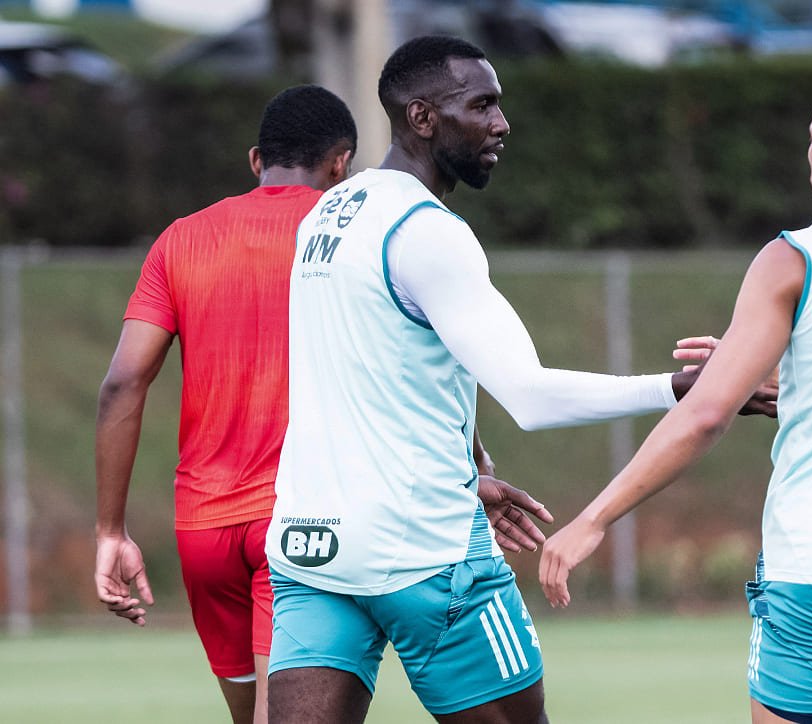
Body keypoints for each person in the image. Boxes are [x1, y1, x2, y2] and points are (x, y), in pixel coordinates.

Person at [264, 35, 774, 724]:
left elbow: (371, 377)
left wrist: (466, 467)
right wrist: (676, 388)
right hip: (425, 557)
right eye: (482, 105)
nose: (502, 124)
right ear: (422, 118)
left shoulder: (325, 215)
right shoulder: (426, 230)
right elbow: (530, 398)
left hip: (310, 548)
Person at [540, 60, 812, 724]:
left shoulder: (795, 256)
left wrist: (593, 519)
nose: (811, 152)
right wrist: (802, 387)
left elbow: (706, 415)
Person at [93, 84, 551, 724]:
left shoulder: (180, 240)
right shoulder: (342, 232)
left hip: (203, 523)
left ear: (257, 161)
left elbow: (122, 383)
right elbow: (419, 356)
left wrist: (110, 530)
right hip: (307, 516)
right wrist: (469, 468)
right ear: (343, 164)